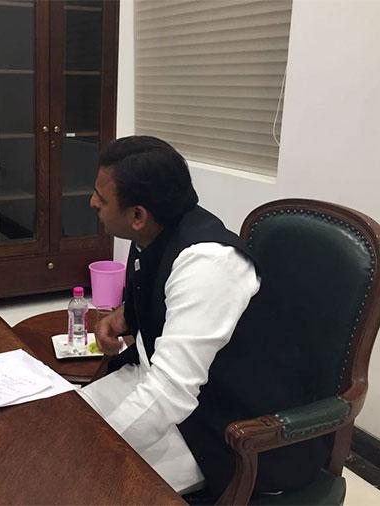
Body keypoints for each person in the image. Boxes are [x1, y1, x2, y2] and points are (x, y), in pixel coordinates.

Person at [79, 136, 330, 500]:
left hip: (231, 429)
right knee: (63, 420)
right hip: (183, 393)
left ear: (137, 216)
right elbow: (160, 291)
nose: (92, 203)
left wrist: (86, 452)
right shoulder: (155, 230)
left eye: (101, 200)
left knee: (86, 481)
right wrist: (125, 316)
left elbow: (170, 392)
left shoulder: (208, 265)